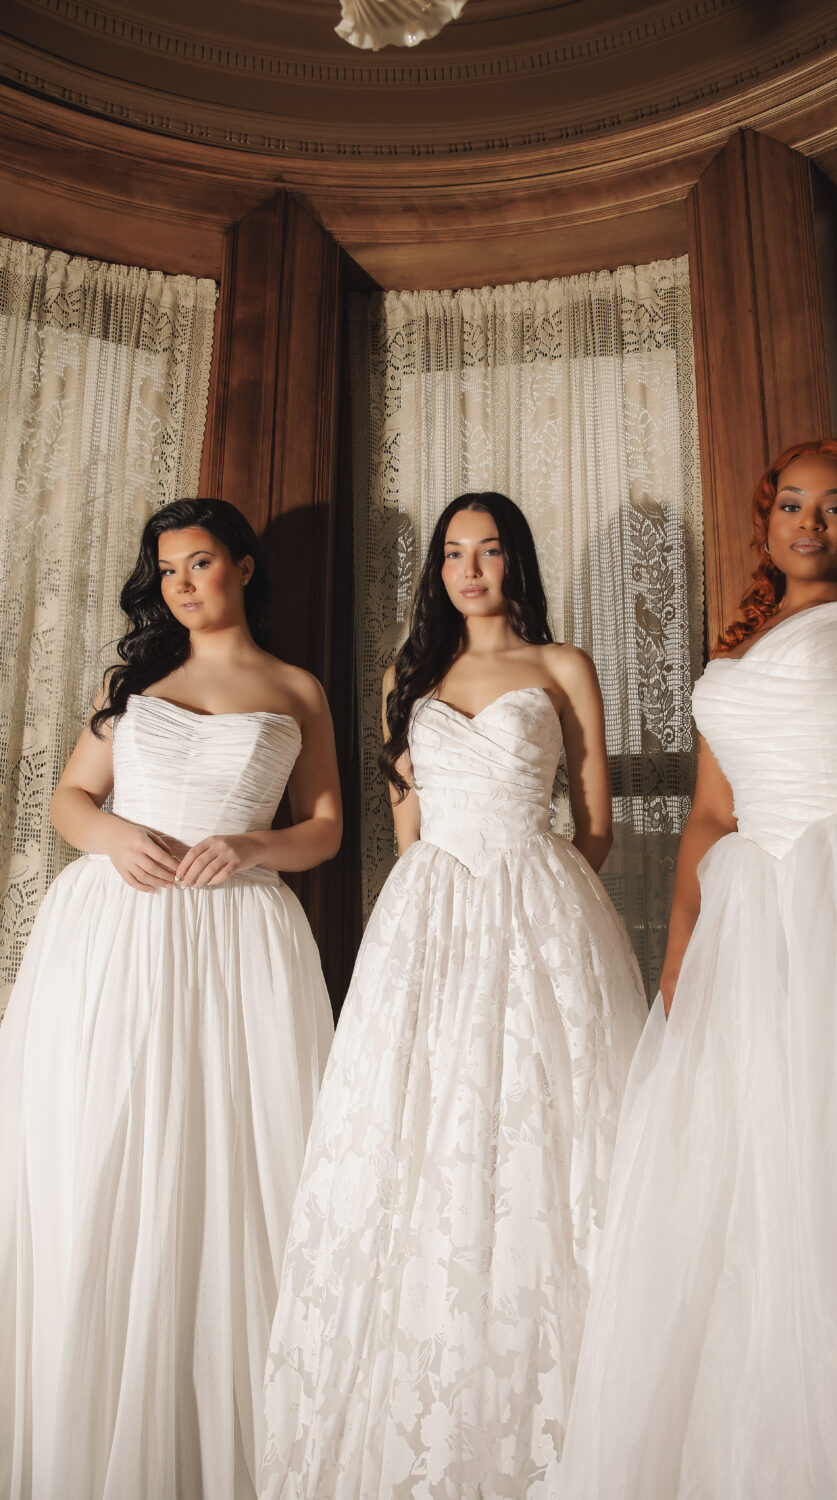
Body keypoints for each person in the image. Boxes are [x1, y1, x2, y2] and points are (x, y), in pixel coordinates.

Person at [557, 439, 837, 1499]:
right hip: (756, 934)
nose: (811, 523)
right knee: (769, 1162)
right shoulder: (734, 647)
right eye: (791, 504)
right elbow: (712, 818)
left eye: (835, 507)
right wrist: (679, 959)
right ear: (763, 525)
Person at [260, 492, 647, 1499]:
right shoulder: (410, 675)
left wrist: (538, 893)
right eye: (450, 553)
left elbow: (595, 824)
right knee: (416, 1129)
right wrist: (448, 898)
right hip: (428, 915)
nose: (467, 569)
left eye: (487, 551)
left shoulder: (562, 668)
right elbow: (405, 829)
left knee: (541, 1129)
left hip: (536, 902)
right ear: (437, 570)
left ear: (516, 562)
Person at [0, 497, 341, 1500]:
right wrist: (110, 838)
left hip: (237, 935)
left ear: (241, 566)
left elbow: (321, 826)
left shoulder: (294, 689)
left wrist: (252, 847)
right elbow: (68, 799)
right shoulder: (141, 687)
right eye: (169, 573)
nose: (184, 586)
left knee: (231, 1156)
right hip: (115, 935)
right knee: (109, 1147)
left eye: (201, 564)